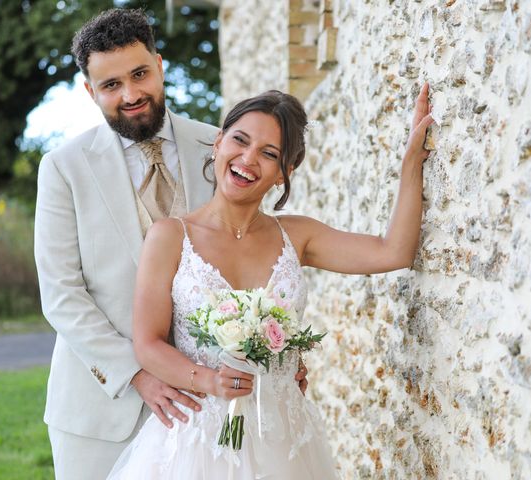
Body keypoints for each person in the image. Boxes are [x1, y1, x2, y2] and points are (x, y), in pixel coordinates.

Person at [33, 8, 307, 479]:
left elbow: (258, 252)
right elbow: (61, 293)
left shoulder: (221, 147)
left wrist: (277, 353)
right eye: (111, 84)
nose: (131, 94)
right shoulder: (63, 167)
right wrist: (136, 373)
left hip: (207, 413)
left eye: (140, 74)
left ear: (160, 66)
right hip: (101, 409)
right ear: (90, 91)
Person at [107, 87, 433, 478]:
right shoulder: (169, 236)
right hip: (198, 440)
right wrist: (210, 381)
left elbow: (393, 252)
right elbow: (148, 344)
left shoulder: (298, 236)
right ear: (218, 142)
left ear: (284, 173)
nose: (247, 159)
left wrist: (411, 164)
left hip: (282, 438)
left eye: (269, 154)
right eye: (240, 140)